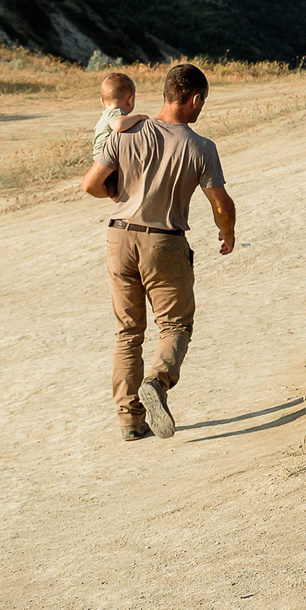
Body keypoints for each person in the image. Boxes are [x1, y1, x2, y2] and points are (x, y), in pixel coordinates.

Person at [81, 62, 236, 443]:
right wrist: (226, 232)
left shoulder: (127, 132)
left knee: (127, 332)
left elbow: (90, 185)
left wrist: (117, 195)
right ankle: (158, 381)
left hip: (118, 238)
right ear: (195, 99)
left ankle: (130, 420)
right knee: (175, 325)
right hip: (164, 242)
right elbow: (220, 202)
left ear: (166, 92)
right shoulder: (200, 147)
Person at [92, 69, 137, 157]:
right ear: (130, 100)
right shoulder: (115, 114)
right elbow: (119, 124)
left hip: (100, 159)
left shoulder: (105, 116)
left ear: (102, 101)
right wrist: (140, 117)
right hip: (106, 160)